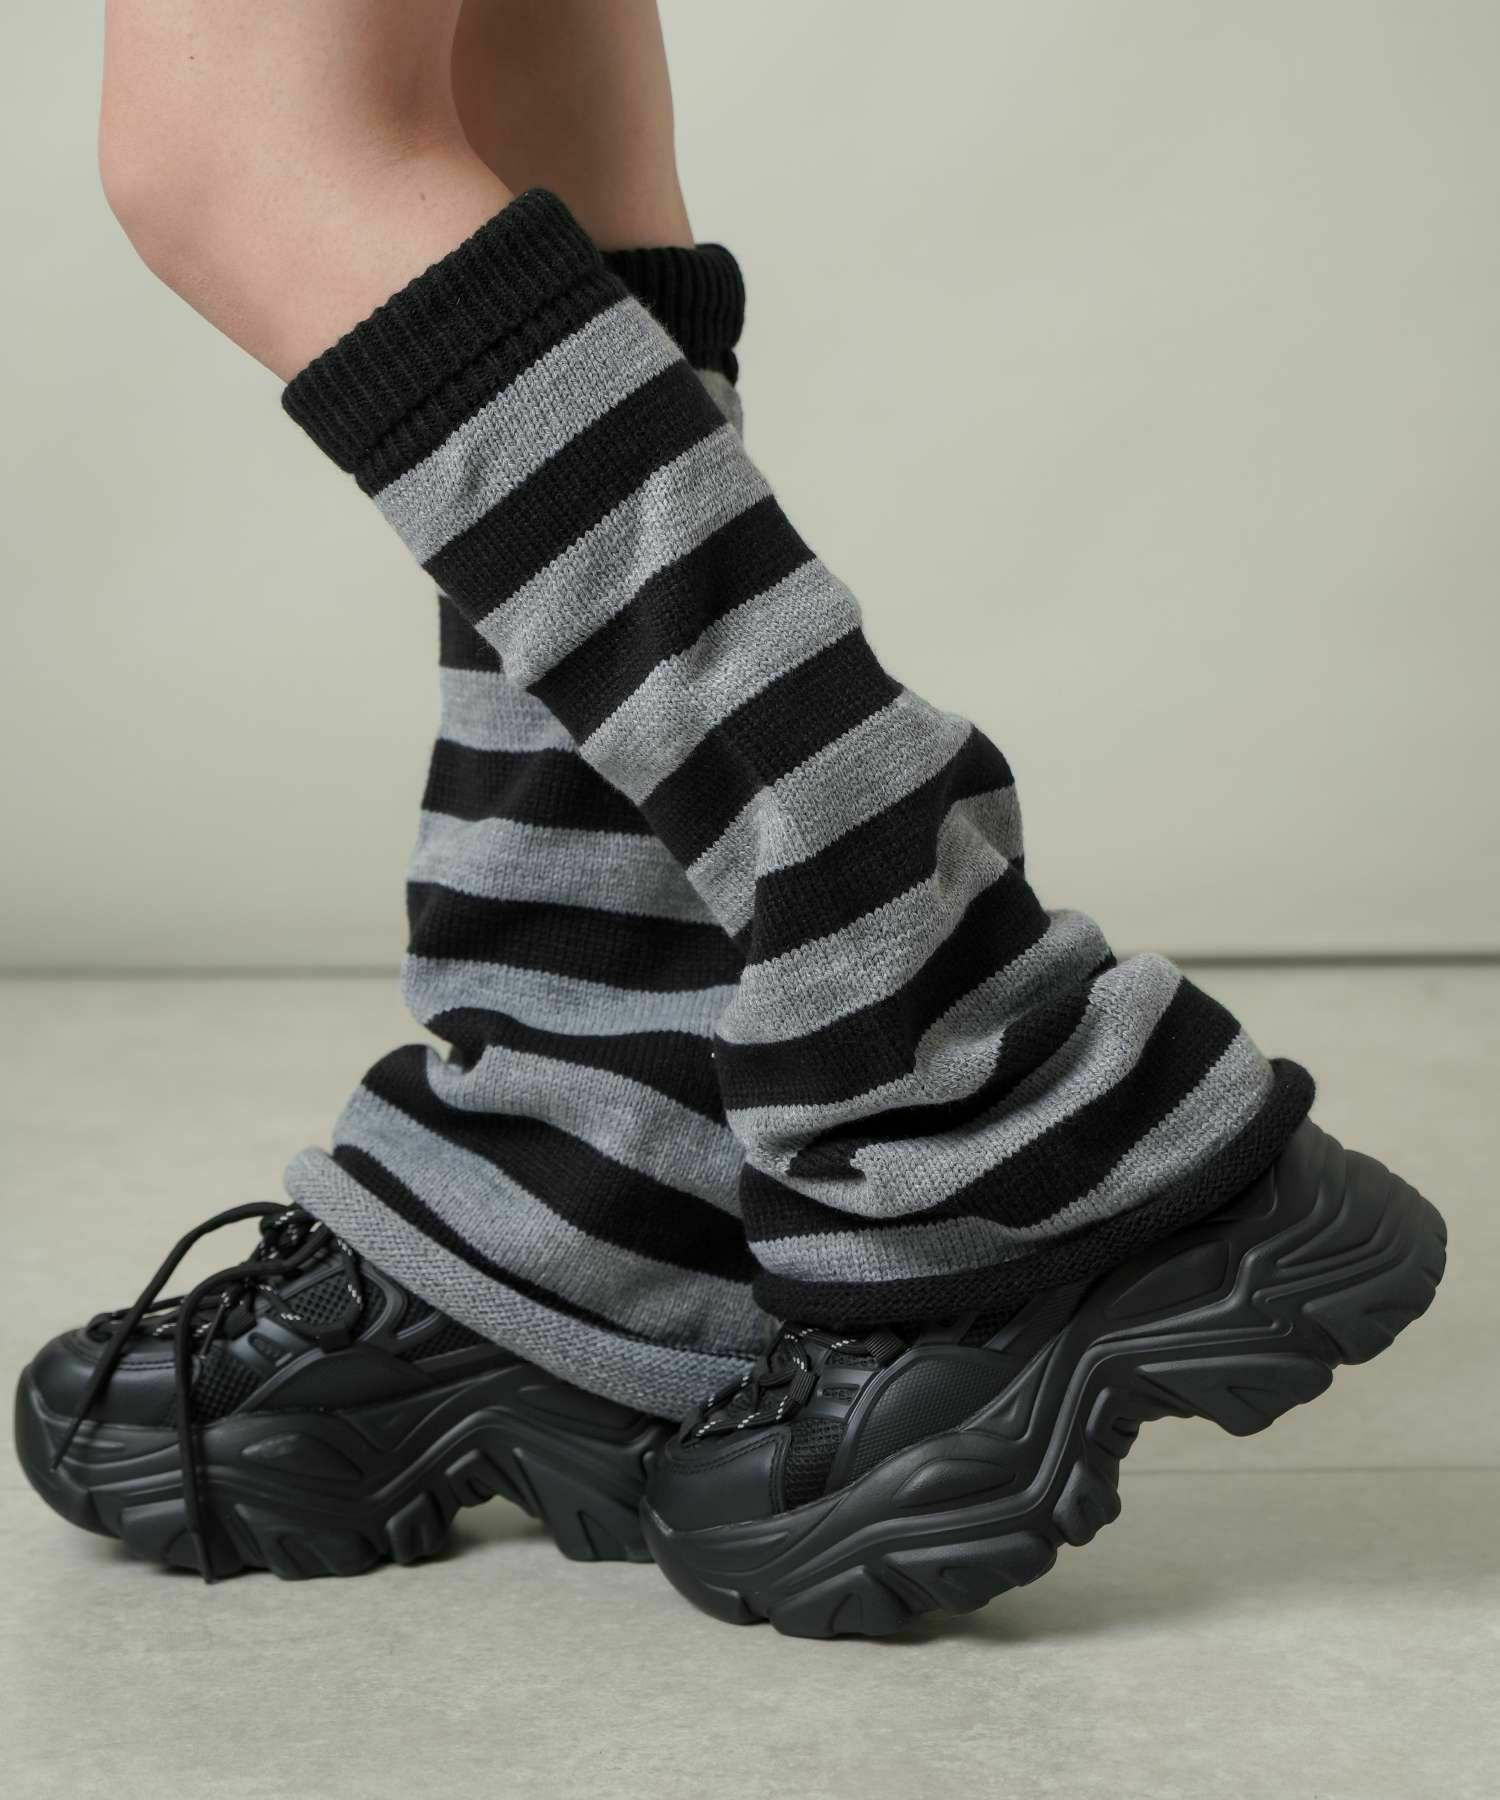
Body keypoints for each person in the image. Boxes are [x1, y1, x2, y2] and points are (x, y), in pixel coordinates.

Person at [14, 0, 1445, 1639]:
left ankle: (1001, 1095)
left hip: (997, 1102)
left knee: (237, 148)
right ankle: (593, 1166)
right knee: (508, 98)